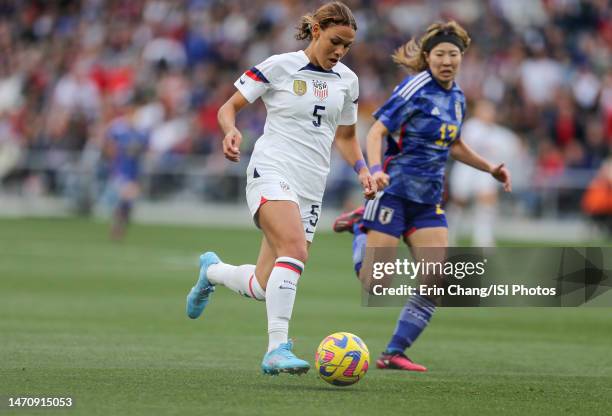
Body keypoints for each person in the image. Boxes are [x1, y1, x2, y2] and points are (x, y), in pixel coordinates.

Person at [185, 2, 375, 376]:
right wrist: (230, 130)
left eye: (347, 46)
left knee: (264, 284)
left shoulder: (348, 81)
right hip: (271, 169)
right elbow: (229, 107)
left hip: (310, 185)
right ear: (316, 30)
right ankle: (277, 348)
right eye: (335, 41)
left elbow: (347, 135)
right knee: (295, 248)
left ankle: (213, 272)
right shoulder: (279, 66)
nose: (340, 51)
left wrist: (362, 169)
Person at [333, 21, 511, 372]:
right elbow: (378, 130)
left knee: (436, 280)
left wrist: (489, 168)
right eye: (441, 54)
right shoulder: (415, 88)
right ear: (428, 57)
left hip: (428, 201)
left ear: (462, 58)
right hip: (394, 193)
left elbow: (455, 144)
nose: (447, 60)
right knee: (376, 285)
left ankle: (394, 352)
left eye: (454, 54)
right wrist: (374, 171)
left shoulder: (457, 97)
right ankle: (360, 227)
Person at [447, 99, 520, 246]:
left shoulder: (500, 133)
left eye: (491, 110)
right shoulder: (470, 127)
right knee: (459, 202)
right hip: (466, 168)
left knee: (486, 201)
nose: (489, 113)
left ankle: (483, 239)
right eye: (485, 110)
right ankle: (449, 235)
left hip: (486, 171)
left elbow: (513, 148)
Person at [100, 103, 148, 241]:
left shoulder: (140, 134)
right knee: (124, 199)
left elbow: (144, 150)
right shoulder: (118, 131)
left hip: (134, 173)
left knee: (128, 204)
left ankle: (119, 225)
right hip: (121, 171)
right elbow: (109, 148)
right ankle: (116, 228)